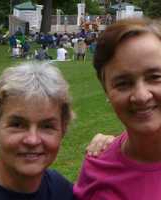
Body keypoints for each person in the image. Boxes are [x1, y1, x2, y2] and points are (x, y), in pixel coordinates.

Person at [0, 62, 113, 200]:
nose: (32, 140)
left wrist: (118, 149)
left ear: (63, 130)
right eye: (17, 125)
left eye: (47, 126)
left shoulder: (61, 190)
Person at [74, 17, 161, 200]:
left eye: (155, 77)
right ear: (106, 91)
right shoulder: (97, 168)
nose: (141, 96)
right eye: (123, 83)